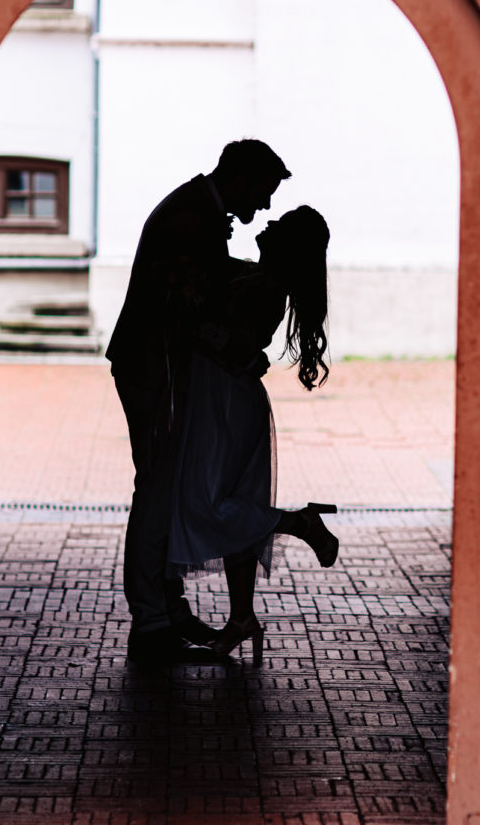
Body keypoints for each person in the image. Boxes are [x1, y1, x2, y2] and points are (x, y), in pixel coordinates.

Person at [106, 139, 291, 664]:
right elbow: (192, 307)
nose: (266, 207)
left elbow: (203, 281)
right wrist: (244, 356)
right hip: (155, 372)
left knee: (164, 489)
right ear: (239, 178)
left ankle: (166, 604)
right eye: (264, 191)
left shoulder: (197, 209)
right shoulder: (192, 218)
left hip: (156, 369)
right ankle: (152, 621)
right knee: (157, 495)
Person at [166, 205, 339, 665]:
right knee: (231, 502)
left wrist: (192, 311)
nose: (267, 224)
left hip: (222, 401)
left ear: (288, 247)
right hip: (223, 398)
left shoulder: (265, 287)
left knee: (207, 504)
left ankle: (299, 524)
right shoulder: (253, 276)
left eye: (279, 226)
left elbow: (234, 345)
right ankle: (241, 616)